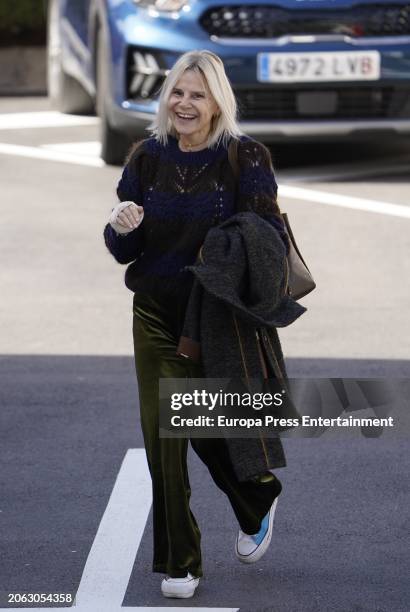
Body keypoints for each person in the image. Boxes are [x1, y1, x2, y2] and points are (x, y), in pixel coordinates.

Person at [103, 50, 292, 599]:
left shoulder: (244, 157)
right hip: (156, 314)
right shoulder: (146, 158)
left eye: (198, 94)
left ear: (217, 102)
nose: (185, 104)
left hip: (215, 316)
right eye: (177, 93)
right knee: (164, 438)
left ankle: (257, 497)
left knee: (208, 431)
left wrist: (223, 247)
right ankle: (181, 564)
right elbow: (123, 249)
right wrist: (122, 225)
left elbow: (267, 241)